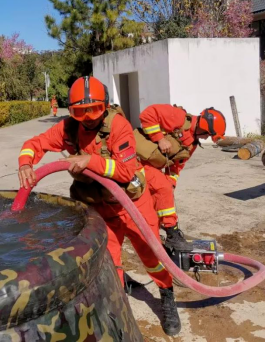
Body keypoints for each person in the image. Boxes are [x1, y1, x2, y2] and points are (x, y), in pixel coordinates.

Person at [18, 76, 181, 336]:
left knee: (153, 256)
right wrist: (26, 162)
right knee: (108, 261)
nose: (88, 117)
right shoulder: (69, 129)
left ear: (105, 106)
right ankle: (117, 308)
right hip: (99, 210)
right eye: (80, 111)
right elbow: (34, 144)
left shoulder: (118, 126)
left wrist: (90, 161)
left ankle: (167, 295)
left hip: (132, 205)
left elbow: (127, 171)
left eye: (94, 109)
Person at [137, 104, 226, 250]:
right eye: (208, 134)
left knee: (164, 191)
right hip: (134, 159)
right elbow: (147, 114)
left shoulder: (192, 143)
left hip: (150, 164)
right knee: (162, 187)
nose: (206, 138)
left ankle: (153, 232)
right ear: (202, 126)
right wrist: (159, 138)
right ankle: (172, 233)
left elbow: (177, 166)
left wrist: (171, 182)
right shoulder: (178, 117)